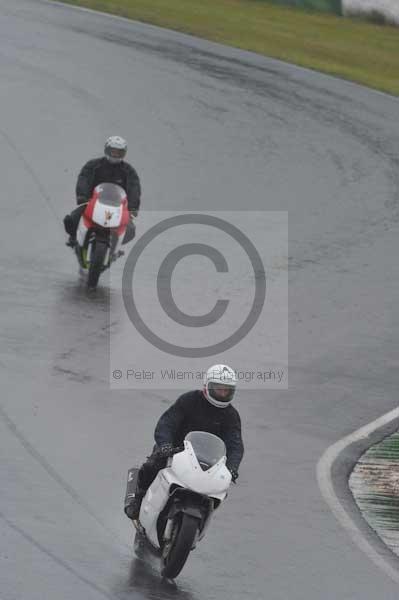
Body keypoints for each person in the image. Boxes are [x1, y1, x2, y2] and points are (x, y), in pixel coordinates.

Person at [125, 364, 244, 520]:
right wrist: (165, 445)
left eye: (226, 390)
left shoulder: (231, 415)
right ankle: (137, 500)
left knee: (220, 488)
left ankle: (204, 517)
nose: (222, 393)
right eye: (218, 388)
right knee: (152, 466)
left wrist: (232, 467)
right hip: (175, 450)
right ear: (207, 386)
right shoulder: (189, 400)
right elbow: (167, 423)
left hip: (208, 460)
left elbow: (235, 445)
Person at [63, 136, 141, 246]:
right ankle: (74, 237)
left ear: (124, 153)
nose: (115, 155)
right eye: (113, 151)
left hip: (117, 207)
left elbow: (134, 188)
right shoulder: (93, 165)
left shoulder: (129, 171)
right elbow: (84, 179)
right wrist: (82, 196)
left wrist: (133, 208)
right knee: (71, 219)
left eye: (119, 152)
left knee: (130, 230)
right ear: (107, 150)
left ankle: (115, 247)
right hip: (92, 202)